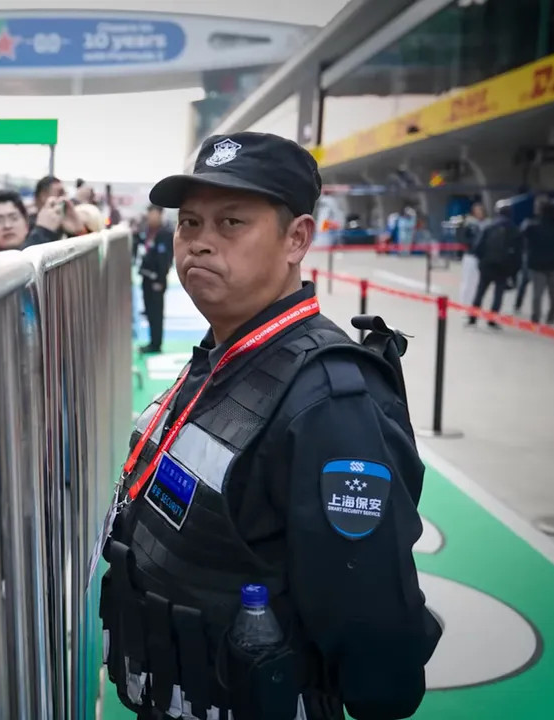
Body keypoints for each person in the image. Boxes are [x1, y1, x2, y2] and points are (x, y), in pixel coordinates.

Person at [100, 132, 440, 720]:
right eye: (189, 223)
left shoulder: (330, 403)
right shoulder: (220, 354)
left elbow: (376, 644)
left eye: (231, 223)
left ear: (297, 239)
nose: (199, 244)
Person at [467, 200, 524, 330]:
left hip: (487, 265)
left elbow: (477, 247)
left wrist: (482, 261)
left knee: (480, 292)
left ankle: (472, 318)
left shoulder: (489, 226)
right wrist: (513, 271)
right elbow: (518, 253)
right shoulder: (514, 230)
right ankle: (492, 320)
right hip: (503, 268)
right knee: (498, 295)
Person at [520, 196, 554, 325]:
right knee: (553, 292)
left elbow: (522, 237)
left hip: (537, 264)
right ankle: (552, 316)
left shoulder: (531, 225)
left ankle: (536, 317)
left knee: (537, 293)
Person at [0, 190, 61, 254]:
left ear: (26, 224)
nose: (7, 226)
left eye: (14, 218)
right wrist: (42, 232)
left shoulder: (45, 251)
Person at [136, 204, 173, 354]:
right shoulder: (148, 231)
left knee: (156, 312)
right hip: (146, 277)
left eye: (153, 213)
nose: (150, 216)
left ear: (159, 214)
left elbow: (165, 259)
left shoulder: (165, 233)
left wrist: (160, 279)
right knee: (150, 311)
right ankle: (152, 341)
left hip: (157, 280)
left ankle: (156, 344)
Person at [457, 199, 487, 306]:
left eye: (481, 210)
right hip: (469, 255)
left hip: (480, 257)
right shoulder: (469, 223)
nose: (479, 212)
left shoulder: (485, 224)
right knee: (467, 281)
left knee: (476, 282)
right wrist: (473, 244)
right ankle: (463, 303)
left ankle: (472, 304)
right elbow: (462, 238)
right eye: (477, 210)